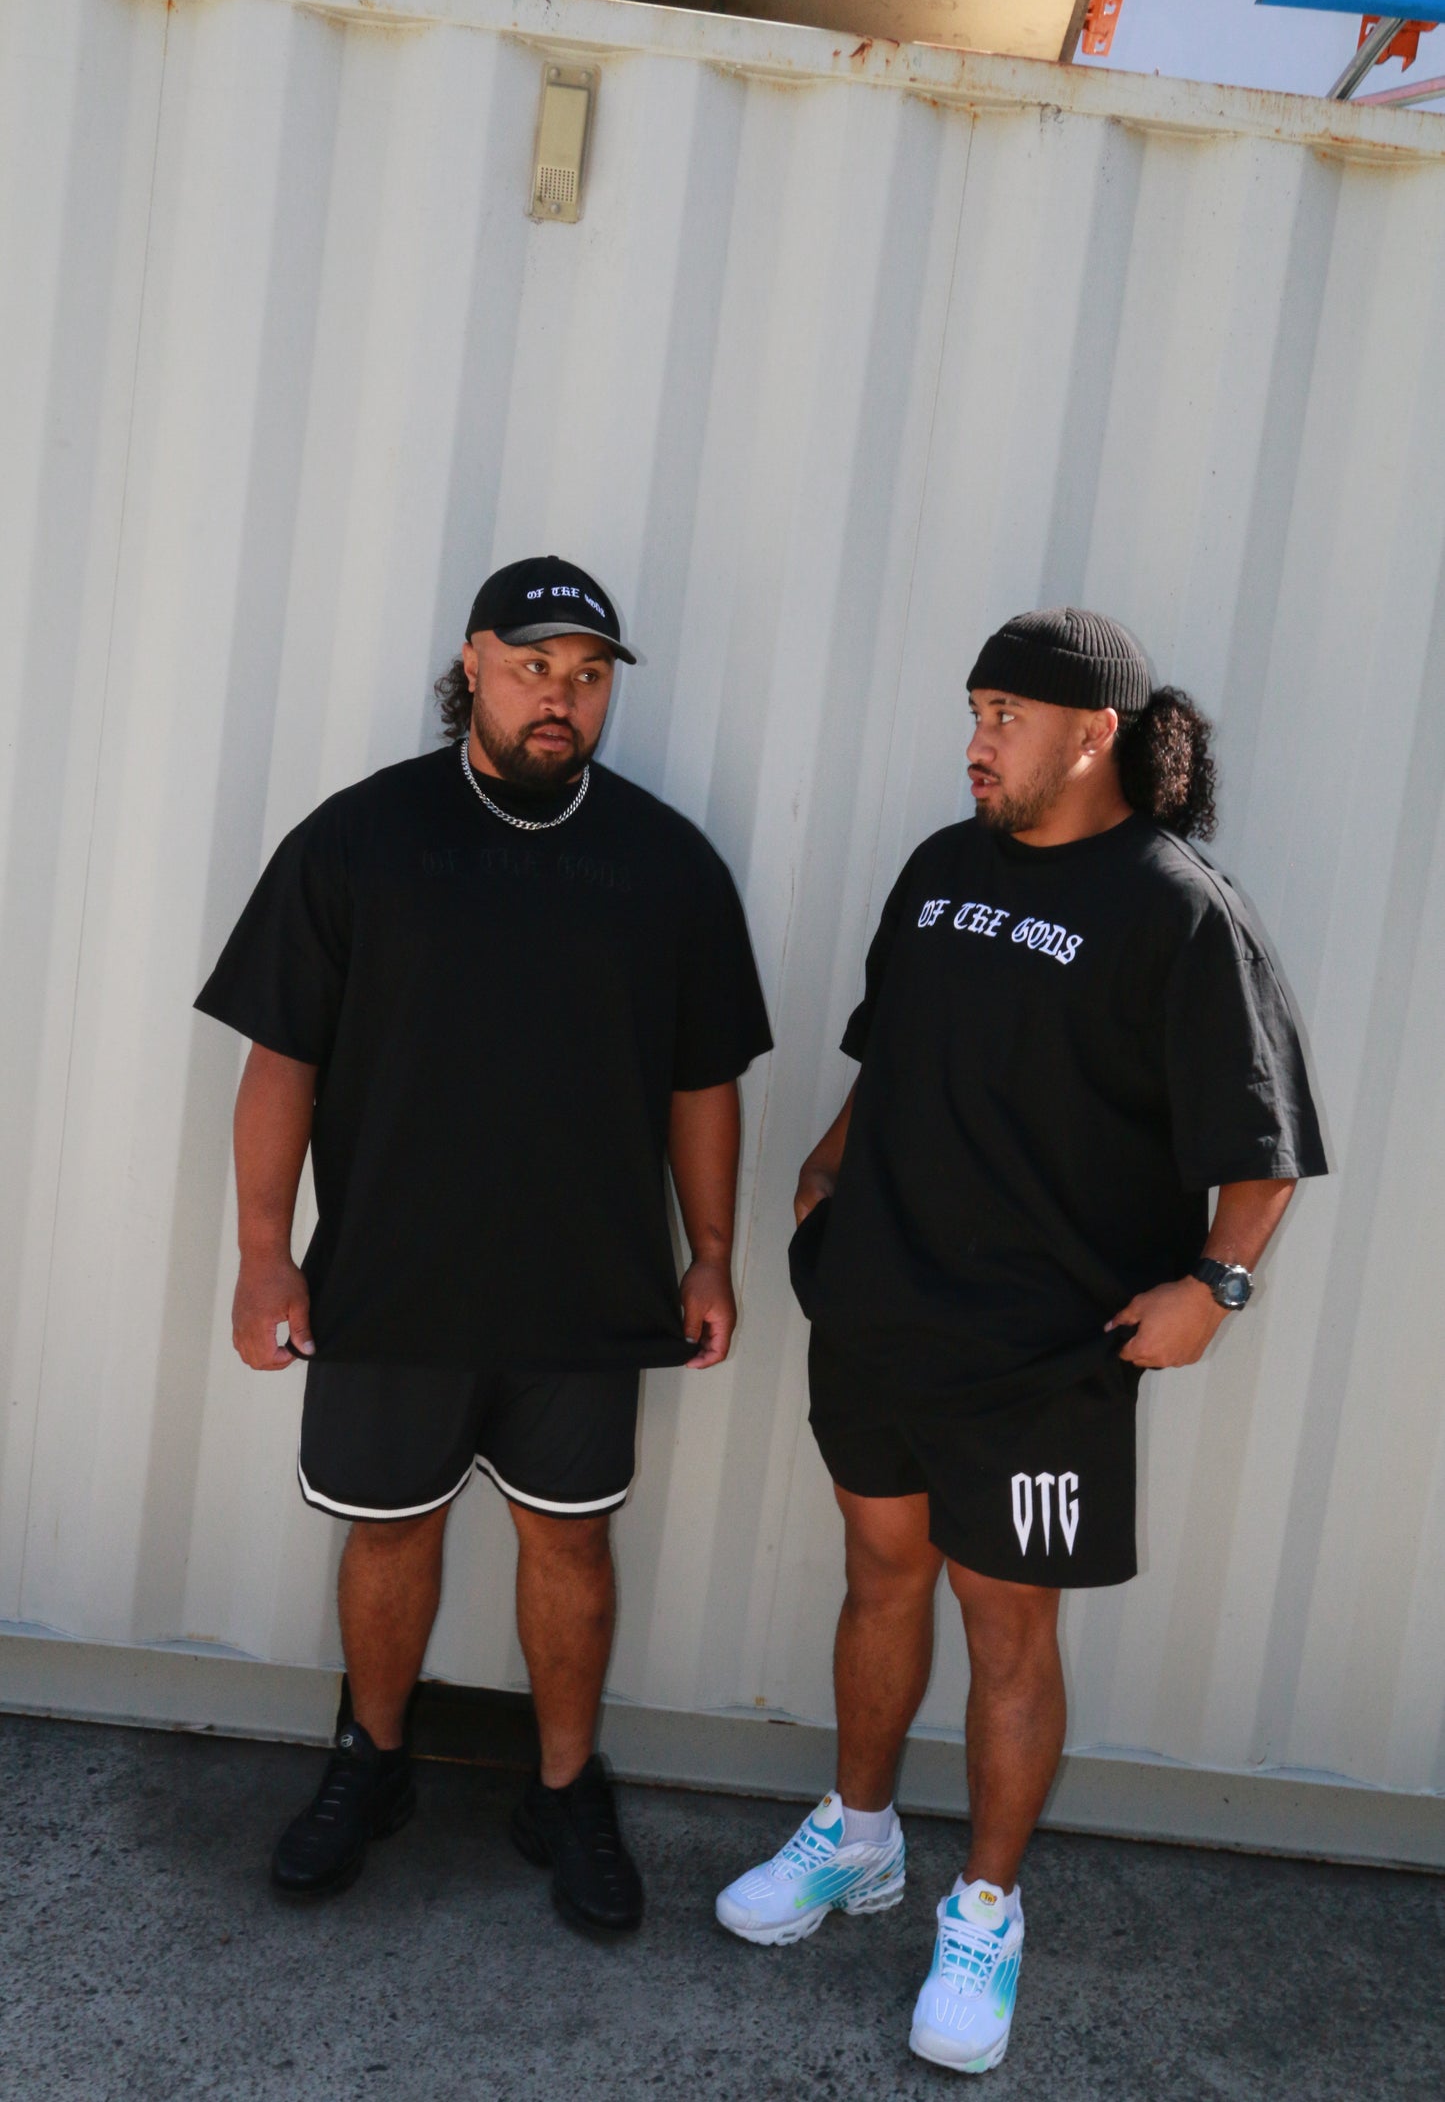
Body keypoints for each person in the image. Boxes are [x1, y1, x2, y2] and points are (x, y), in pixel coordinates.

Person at [714, 609, 1326, 2073]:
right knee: (877, 1578)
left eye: (1003, 713)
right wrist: (826, 1163)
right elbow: (892, 1044)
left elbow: (1266, 1143)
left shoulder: (1177, 909)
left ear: (1091, 733)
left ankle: (982, 1912)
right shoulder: (942, 868)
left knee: (1006, 1631)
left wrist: (1215, 1290)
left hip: (1041, 1355)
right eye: (974, 709)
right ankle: (856, 1837)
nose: (976, 739)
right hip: (879, 1315)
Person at [196, 555, 771, 1930]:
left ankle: (563, 1790)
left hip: (586, 1291)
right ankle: (371, 1766)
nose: (558, 699)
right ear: (472, 665)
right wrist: (265, 1256)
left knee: (567, 1547)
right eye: (532, 668)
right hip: (391, 1280)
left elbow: (704, 1082)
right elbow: (283, 1061)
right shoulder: (362, 840)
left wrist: (708, 1256)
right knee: (387, 1540)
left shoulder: (663, 862)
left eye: (586, 677)